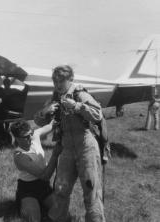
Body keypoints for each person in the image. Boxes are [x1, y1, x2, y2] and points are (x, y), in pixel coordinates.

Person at [35, 65, 105, 222]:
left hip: (86, 146)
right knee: (60, 188)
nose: (58, 84)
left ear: (70, 79)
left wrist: (77, 106)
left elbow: (98, 114)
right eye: (55, 81)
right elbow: (38, 120)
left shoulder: (79, 93)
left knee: (91, 189)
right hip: (66, 148)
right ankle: (58, 218)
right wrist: (45, 111)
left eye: (61, 80)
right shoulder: (55, 97)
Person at [11, 119, 62, 222]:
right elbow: (45, 176)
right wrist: (55, 154)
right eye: (26, 137)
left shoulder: (34, 136)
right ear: (17, 138)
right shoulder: (19, 156)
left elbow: (49, 126)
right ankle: (24, 203)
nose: (30, 138)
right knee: (34, 219)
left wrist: (55, 118)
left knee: (63, 213)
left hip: (44, 186)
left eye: (31, 134)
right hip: (28, 190)